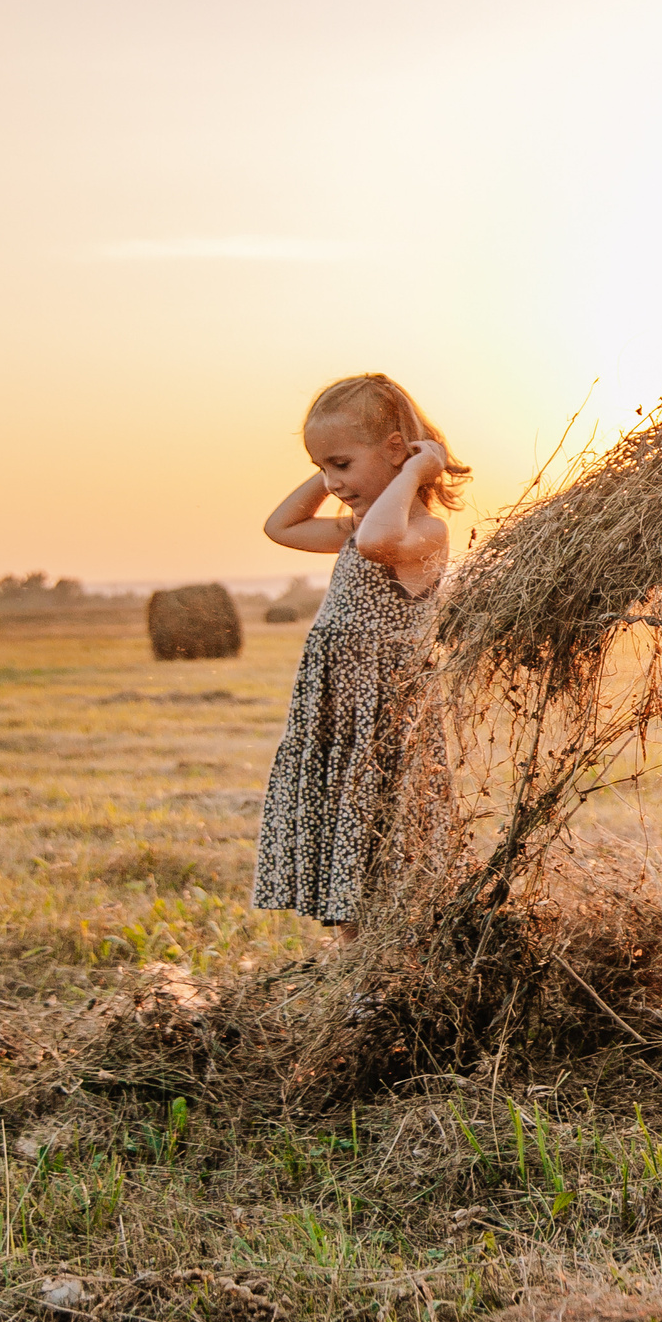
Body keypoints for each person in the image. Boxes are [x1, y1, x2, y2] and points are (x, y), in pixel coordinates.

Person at [252, 374, 470, 945]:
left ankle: (386, 966)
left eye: (342, 465)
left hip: (381, 707)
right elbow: (282, 527)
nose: (332, 482)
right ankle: (354, 971)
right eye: (323, 468)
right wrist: (339, 467)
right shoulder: (357, 523)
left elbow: (378, 543)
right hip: (337, 705)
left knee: (380, 830)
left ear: (397, 449)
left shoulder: (425, 531)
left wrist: (412, 476)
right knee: (345, 837)